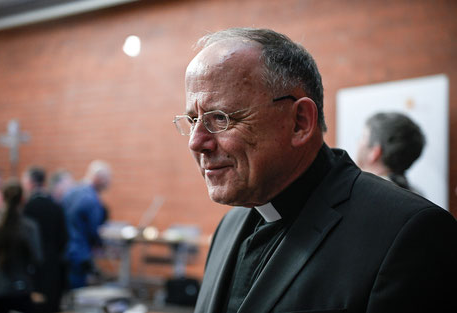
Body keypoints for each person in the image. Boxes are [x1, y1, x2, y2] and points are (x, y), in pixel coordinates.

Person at [173, 27, 457, 313]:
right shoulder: (230, 225)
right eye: (193, 119)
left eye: (220, 118)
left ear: (299, 122)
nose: (197, 142)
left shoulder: (408, 234)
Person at [0, 179, 42, 313]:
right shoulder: (28, 227)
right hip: (21, 285)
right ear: (22, 199)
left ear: (3, 198)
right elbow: (37, 258)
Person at [22, 166, 68, 313]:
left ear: (31, 182)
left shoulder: (28, 208)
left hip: (34, 266)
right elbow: (64, 237)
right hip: (53, 263)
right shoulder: (56, 206)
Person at [62, 160, 111, 289]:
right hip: (79, 252)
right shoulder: (92, 200)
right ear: (98, 178)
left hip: (64, 249)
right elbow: (93, 230)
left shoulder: (71, 192)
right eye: (106, 180)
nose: (108, 184)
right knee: (78, 291)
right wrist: (100, 245)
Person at [356, 112, 425, 191]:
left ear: (375, 152)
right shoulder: (418, 195)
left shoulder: (362, 193)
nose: (358, 143)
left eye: (362, 137)